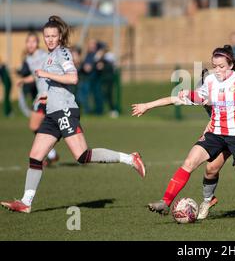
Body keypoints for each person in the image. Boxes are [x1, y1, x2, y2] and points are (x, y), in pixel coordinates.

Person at [0, 16, 146, 214]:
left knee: (83, 156)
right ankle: (26, 202)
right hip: (52, 113)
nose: (50, 39)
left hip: (65, 111)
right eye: (47, 36)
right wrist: (46, 96)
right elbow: (53, 83)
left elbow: (73, 78)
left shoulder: (63, 53)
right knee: (35, 157)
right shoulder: (49, 56)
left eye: (53, 36)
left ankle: (130, 158)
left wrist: (47, 75)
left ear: (60, 36)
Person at [132, 68, 235, 219]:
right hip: (224, 133)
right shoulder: (203, 95)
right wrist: (147, 105)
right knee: (211, 168)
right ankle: (208, 200)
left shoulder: (226, 93)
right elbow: (173, 100)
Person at [16, 32, 59, 166]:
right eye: (28, 42)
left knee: (35, 125)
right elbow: (36, 75)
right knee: (38, 126)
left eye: (33, 41)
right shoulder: (29, 59)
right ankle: (52, 154)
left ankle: (51, 154)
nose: (30, 44)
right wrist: (24, 80)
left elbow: (52, 69)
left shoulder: (43, 55)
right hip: (41, 95)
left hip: (47, 95)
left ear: (37, 43)